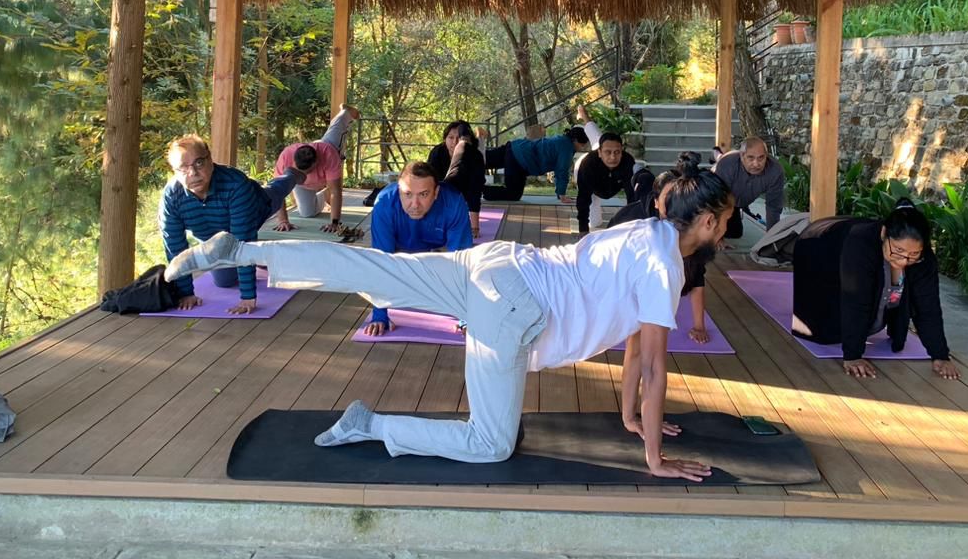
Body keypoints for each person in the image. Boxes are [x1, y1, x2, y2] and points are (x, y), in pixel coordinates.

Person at [165, 168, 732, 477]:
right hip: (516, 307)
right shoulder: (666, 268)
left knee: (375, 267)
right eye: (725, 220)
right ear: (705, 220)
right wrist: (655, 460)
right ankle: (372, 425)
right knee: (490, 446)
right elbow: (654, 366)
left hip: (500, 263)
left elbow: (635, 347)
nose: (727, 228)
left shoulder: (643, 232)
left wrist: (633, 419)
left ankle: (240, 252)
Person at [791, 198, 959, 381]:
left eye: (913, 254)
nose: (903, 260)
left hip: (852, 242)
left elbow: (928, 306)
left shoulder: (925, 258)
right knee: (820, 330)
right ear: (884, 232)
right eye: (898, 250)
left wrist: (940, 355)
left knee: (878, 303)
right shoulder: (860, 242)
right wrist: (853, 356)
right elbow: (855, 299)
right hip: (817, 244)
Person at [159, 134, 305, 315]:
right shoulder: (171, 197)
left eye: (199, 163)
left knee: (277, 190)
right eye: (183, 168)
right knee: (225, 281)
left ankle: (291, 174)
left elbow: (243, 242)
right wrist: (186, 293)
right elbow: (175, 247)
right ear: (174, 171)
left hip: (258, 206)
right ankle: (261, 261)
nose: (193, 173)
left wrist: (248, 297)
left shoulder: (236, 184)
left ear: (210, 160)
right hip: (216, 239)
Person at [609, 155, 714, 344]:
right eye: (669, 199)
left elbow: (697, 279)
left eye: (679, 199)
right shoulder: (633, 222)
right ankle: (639, 171)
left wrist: (699, 326)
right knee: (643, 181)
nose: (676, 206)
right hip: (617, 259)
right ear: (657, 201)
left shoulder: (688, 225)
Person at [363, 161, 475, 336]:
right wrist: (379, 315)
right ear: (399, 191)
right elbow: (381, 262)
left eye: (423, 194)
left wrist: (466, 317)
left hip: (438, 247)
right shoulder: (384, 203)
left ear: (436, 193)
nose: (414, 204)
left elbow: (462, 265)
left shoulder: (453, 203)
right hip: (399, 247)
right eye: (407, 194)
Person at [272, 105, 360, 233]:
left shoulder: (328, 155)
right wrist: (283, 221)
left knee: (336, 129)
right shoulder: (286, 157)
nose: (304, 175)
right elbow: (277, 192)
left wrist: (334, 222)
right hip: (304, 186)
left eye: (307, 172)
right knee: (307, 213)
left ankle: (346, 112)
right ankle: (324, 195)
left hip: (327, 145)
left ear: (316, 163)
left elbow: (336, 191)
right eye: (299, 172)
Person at [481, 126, 591, 203]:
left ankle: (464, 158)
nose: (582, 147)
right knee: (513, 194)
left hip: (515, 147)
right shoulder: (567, 148)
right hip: (520, 160)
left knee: (481, 160)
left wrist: (560, 193)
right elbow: (561, 171)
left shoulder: (561, 140)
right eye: (582, 145)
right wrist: (562, 195)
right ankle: (479, 189)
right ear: (576, 140)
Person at [712, 137, 785, 250]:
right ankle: (718, 155)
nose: (756, 164)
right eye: (750, 158)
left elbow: (773, 207)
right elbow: (718, 201)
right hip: (716, 195)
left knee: (735, 233)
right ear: (742, 156)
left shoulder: (775, 171)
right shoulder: (728, 164)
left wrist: (771, 240)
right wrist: (717, 237)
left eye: (761, 158)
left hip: (739, 200)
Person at [428, 120, 486, 238]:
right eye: (450, 137)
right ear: (445, 139)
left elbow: (475, 191)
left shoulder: (476, 157)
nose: (454, 142)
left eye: (459, 138)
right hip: (442, 189)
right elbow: (429, 182)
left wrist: (474, 227)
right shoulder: (437, 153)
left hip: (464, 189)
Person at [574, 132, 636, 234]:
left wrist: (633, 227)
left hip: (611, 184)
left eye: (617, 152)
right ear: (599, 152)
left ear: (622, 152)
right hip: (588, 176)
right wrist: (583, 230)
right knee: (594, 220)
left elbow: (632, 196)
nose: (613, 157)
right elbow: (583, 198)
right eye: (608, 152)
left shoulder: (628, 162)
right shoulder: (588, 164)